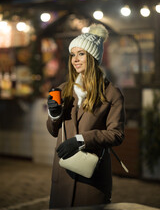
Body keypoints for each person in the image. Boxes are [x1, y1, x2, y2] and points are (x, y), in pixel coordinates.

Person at [46, 23, 125, 208]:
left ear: (93, 56)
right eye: (73, 54)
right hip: (63, 174)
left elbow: (117, 134)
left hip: (91, 177)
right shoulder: (63, 89)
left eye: (81, 54)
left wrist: (82, 140)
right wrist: (54, 115)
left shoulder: (112, 93)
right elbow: (52, 131)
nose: (75, 59)